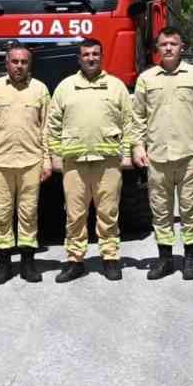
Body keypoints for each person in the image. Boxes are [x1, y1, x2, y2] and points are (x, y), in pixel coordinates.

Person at [132, 28, 193, 281]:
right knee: (160, 210)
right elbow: (137, 117)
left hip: (189, 155)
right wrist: (137, 146)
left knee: (190, 209)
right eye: (163, 44)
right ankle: (165, 259)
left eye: (173, 43)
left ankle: (190, 259)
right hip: (157, 157)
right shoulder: (146, 79)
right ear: (157, 48)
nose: (168, 48)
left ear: (182, 47)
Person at [47, 38, 135, 282]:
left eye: (95, 54)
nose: (91, 58)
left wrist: (127, 154)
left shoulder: (116, 87)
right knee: (75, 215)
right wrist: (55, 156)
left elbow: (129, 123)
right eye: (86, 54)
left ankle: (110, 259)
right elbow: (52, 125)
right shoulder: (66, 87)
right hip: (74, 162)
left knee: (108, 213)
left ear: (101, 56)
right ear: (79, 58)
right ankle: (75, 261)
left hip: (108, 162)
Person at [0, 43, 50, 285]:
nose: (19, 66)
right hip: (0, 162)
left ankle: (28, 264)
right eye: (15, 61)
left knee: (28, 213)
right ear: (6, 63)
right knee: (1, 214)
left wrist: (47, 160)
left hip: (31, 162)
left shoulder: (40, 90)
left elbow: (46, 129)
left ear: (29, 65)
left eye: (24, 62)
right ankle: (3, 265)